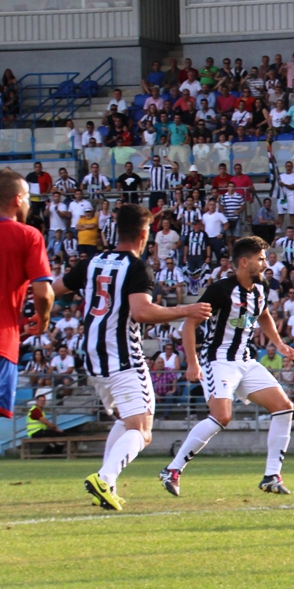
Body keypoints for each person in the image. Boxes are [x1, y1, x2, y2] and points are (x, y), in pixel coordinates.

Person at [53, 203, 211, 510]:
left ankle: (106, 482)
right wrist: (186, 310)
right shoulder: (137, 267)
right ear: (144, 232)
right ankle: (104, 477)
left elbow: (56, 288)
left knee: (128, 421)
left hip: (93, 357)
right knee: (142, 430)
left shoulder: (92, 261)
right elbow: (142, 312)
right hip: (123, 356)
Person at [160, 237, 294, 497]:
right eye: (261, 259)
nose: (266, 264)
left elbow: (263, 314)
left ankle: (271, 475)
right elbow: (189, 325)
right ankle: (173, 469)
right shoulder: (221, 290)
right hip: (218, 360)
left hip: (244, 360)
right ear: (244, 262)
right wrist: (192, 362)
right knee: (222, 416)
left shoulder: (260, 287)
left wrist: (278, 344)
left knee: (284, 407)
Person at [0, 170, 54, 420]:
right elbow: (43, 294)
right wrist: (43, 319)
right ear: (17, 199)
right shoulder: (28, 236)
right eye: (29, 198)